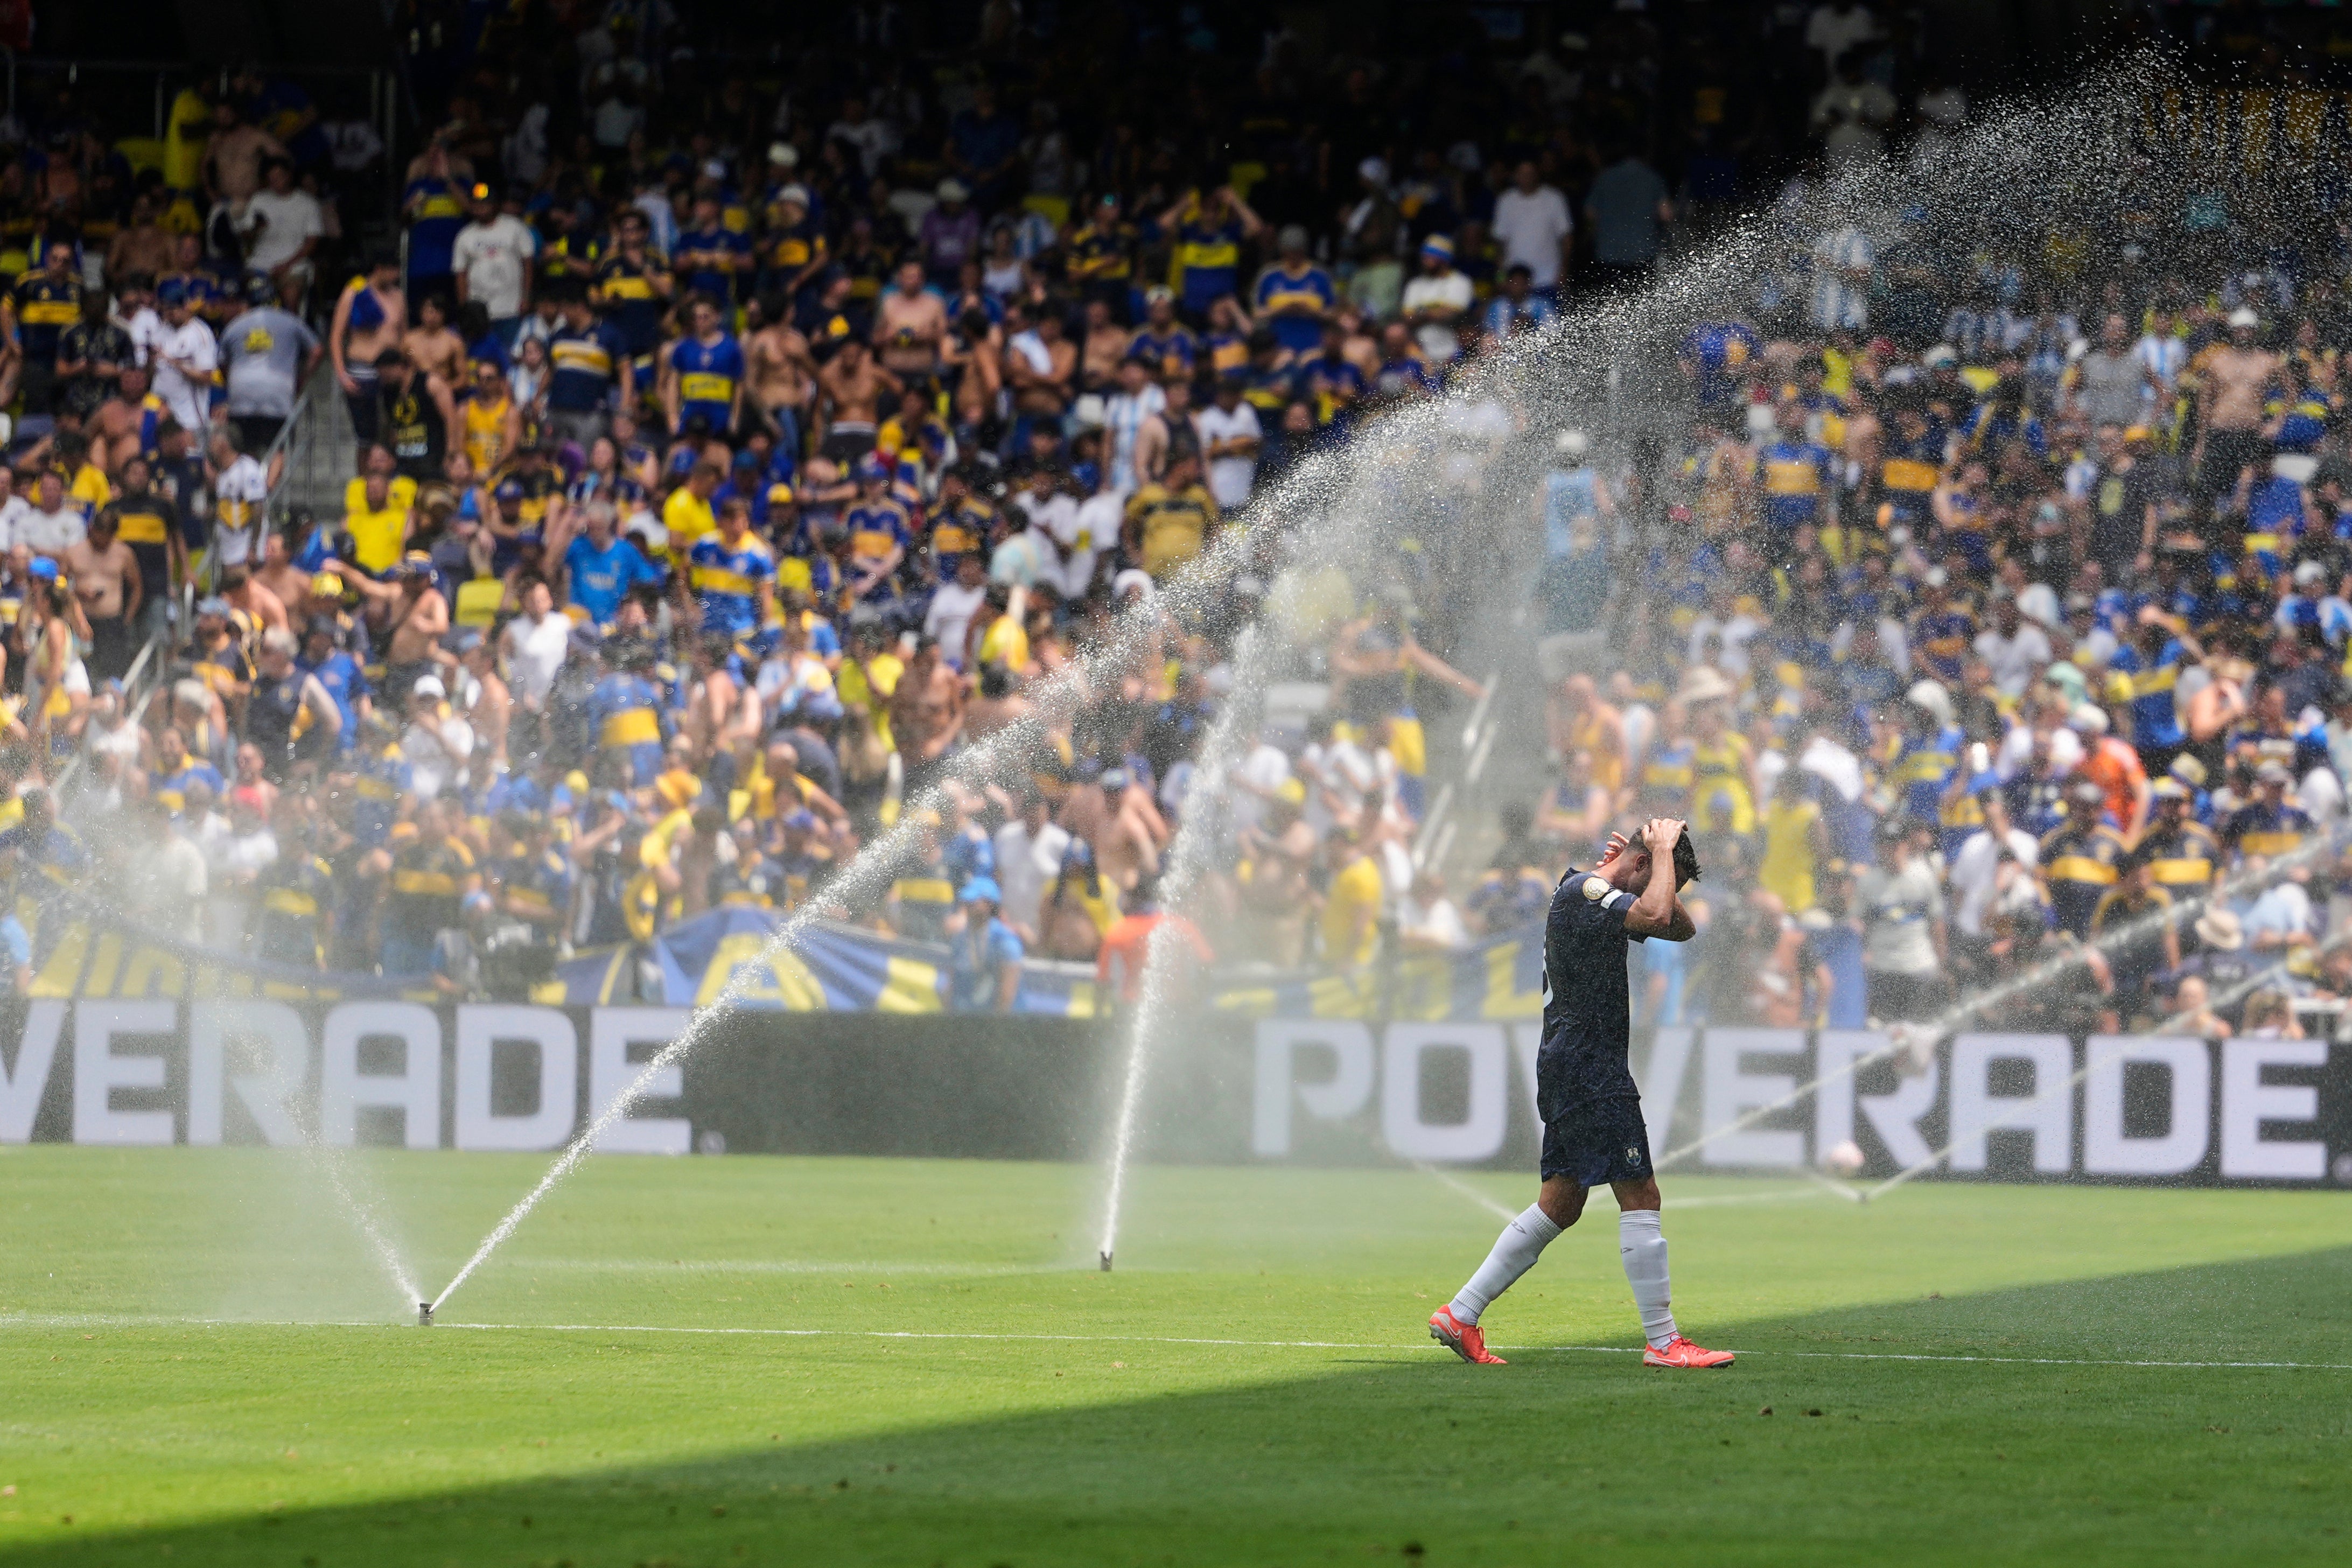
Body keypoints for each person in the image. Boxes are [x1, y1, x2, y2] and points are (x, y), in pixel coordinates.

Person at [1429, 819, 1731, 1370]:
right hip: (1590, 1065)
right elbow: (1661, 913)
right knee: (1641, 1192)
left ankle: (1461, 1312)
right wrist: (1662, 851)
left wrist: (1657, 861)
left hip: (1574, 1062)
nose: (1669, 888)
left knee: (1561, 1202)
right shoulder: (1588, 891)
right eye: (1664, 874)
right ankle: (1664, 1341)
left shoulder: (1600, 893)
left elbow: (1678, 927)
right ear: (1641, 864)